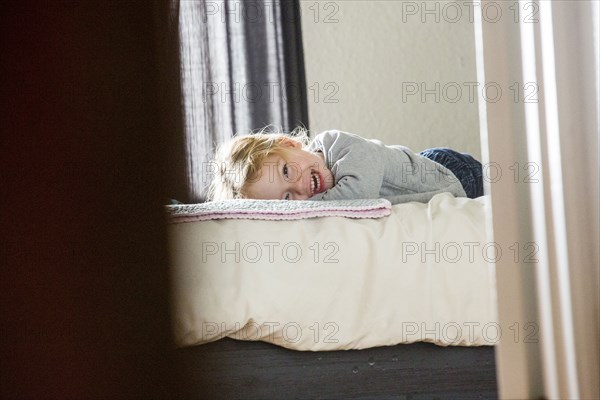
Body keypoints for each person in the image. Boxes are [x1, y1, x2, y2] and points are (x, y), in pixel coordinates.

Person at [207, 128, 484, 204]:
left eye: (286, 171)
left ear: (290, 144)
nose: (301, 186)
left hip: (450, 170)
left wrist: (305, 209)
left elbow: (358, 195)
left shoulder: (335, 144)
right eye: (288, 197)